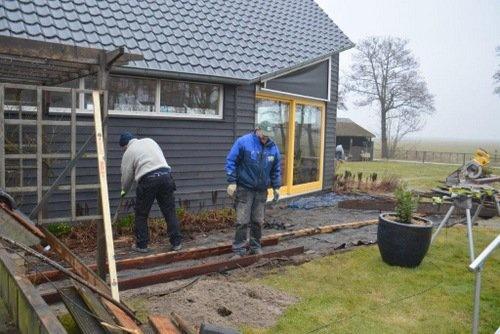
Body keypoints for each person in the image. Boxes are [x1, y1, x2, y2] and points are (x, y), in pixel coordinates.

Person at [225, 123, 281, 258]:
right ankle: (239, 250)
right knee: (242, 221)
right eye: (264, 135)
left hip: (261, 191)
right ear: (258, 130)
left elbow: (276, 169)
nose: (265, 138)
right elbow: (231, 161)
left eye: (268, 136)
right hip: (245, 188)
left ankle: (255, 246)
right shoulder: (244, 142)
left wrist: (276, 187)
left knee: (258, 221)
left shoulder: (273, 148)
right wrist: (232, 182)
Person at [119, 132, 182, 253]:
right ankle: (176, 242)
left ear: (124, 146)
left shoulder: (129, 151)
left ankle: (142, 245)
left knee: (141, 214)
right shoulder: (150, 141)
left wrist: (123, 191)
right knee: (169, 211)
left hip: (148, 180)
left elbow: (127, 176)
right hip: (166, 176)